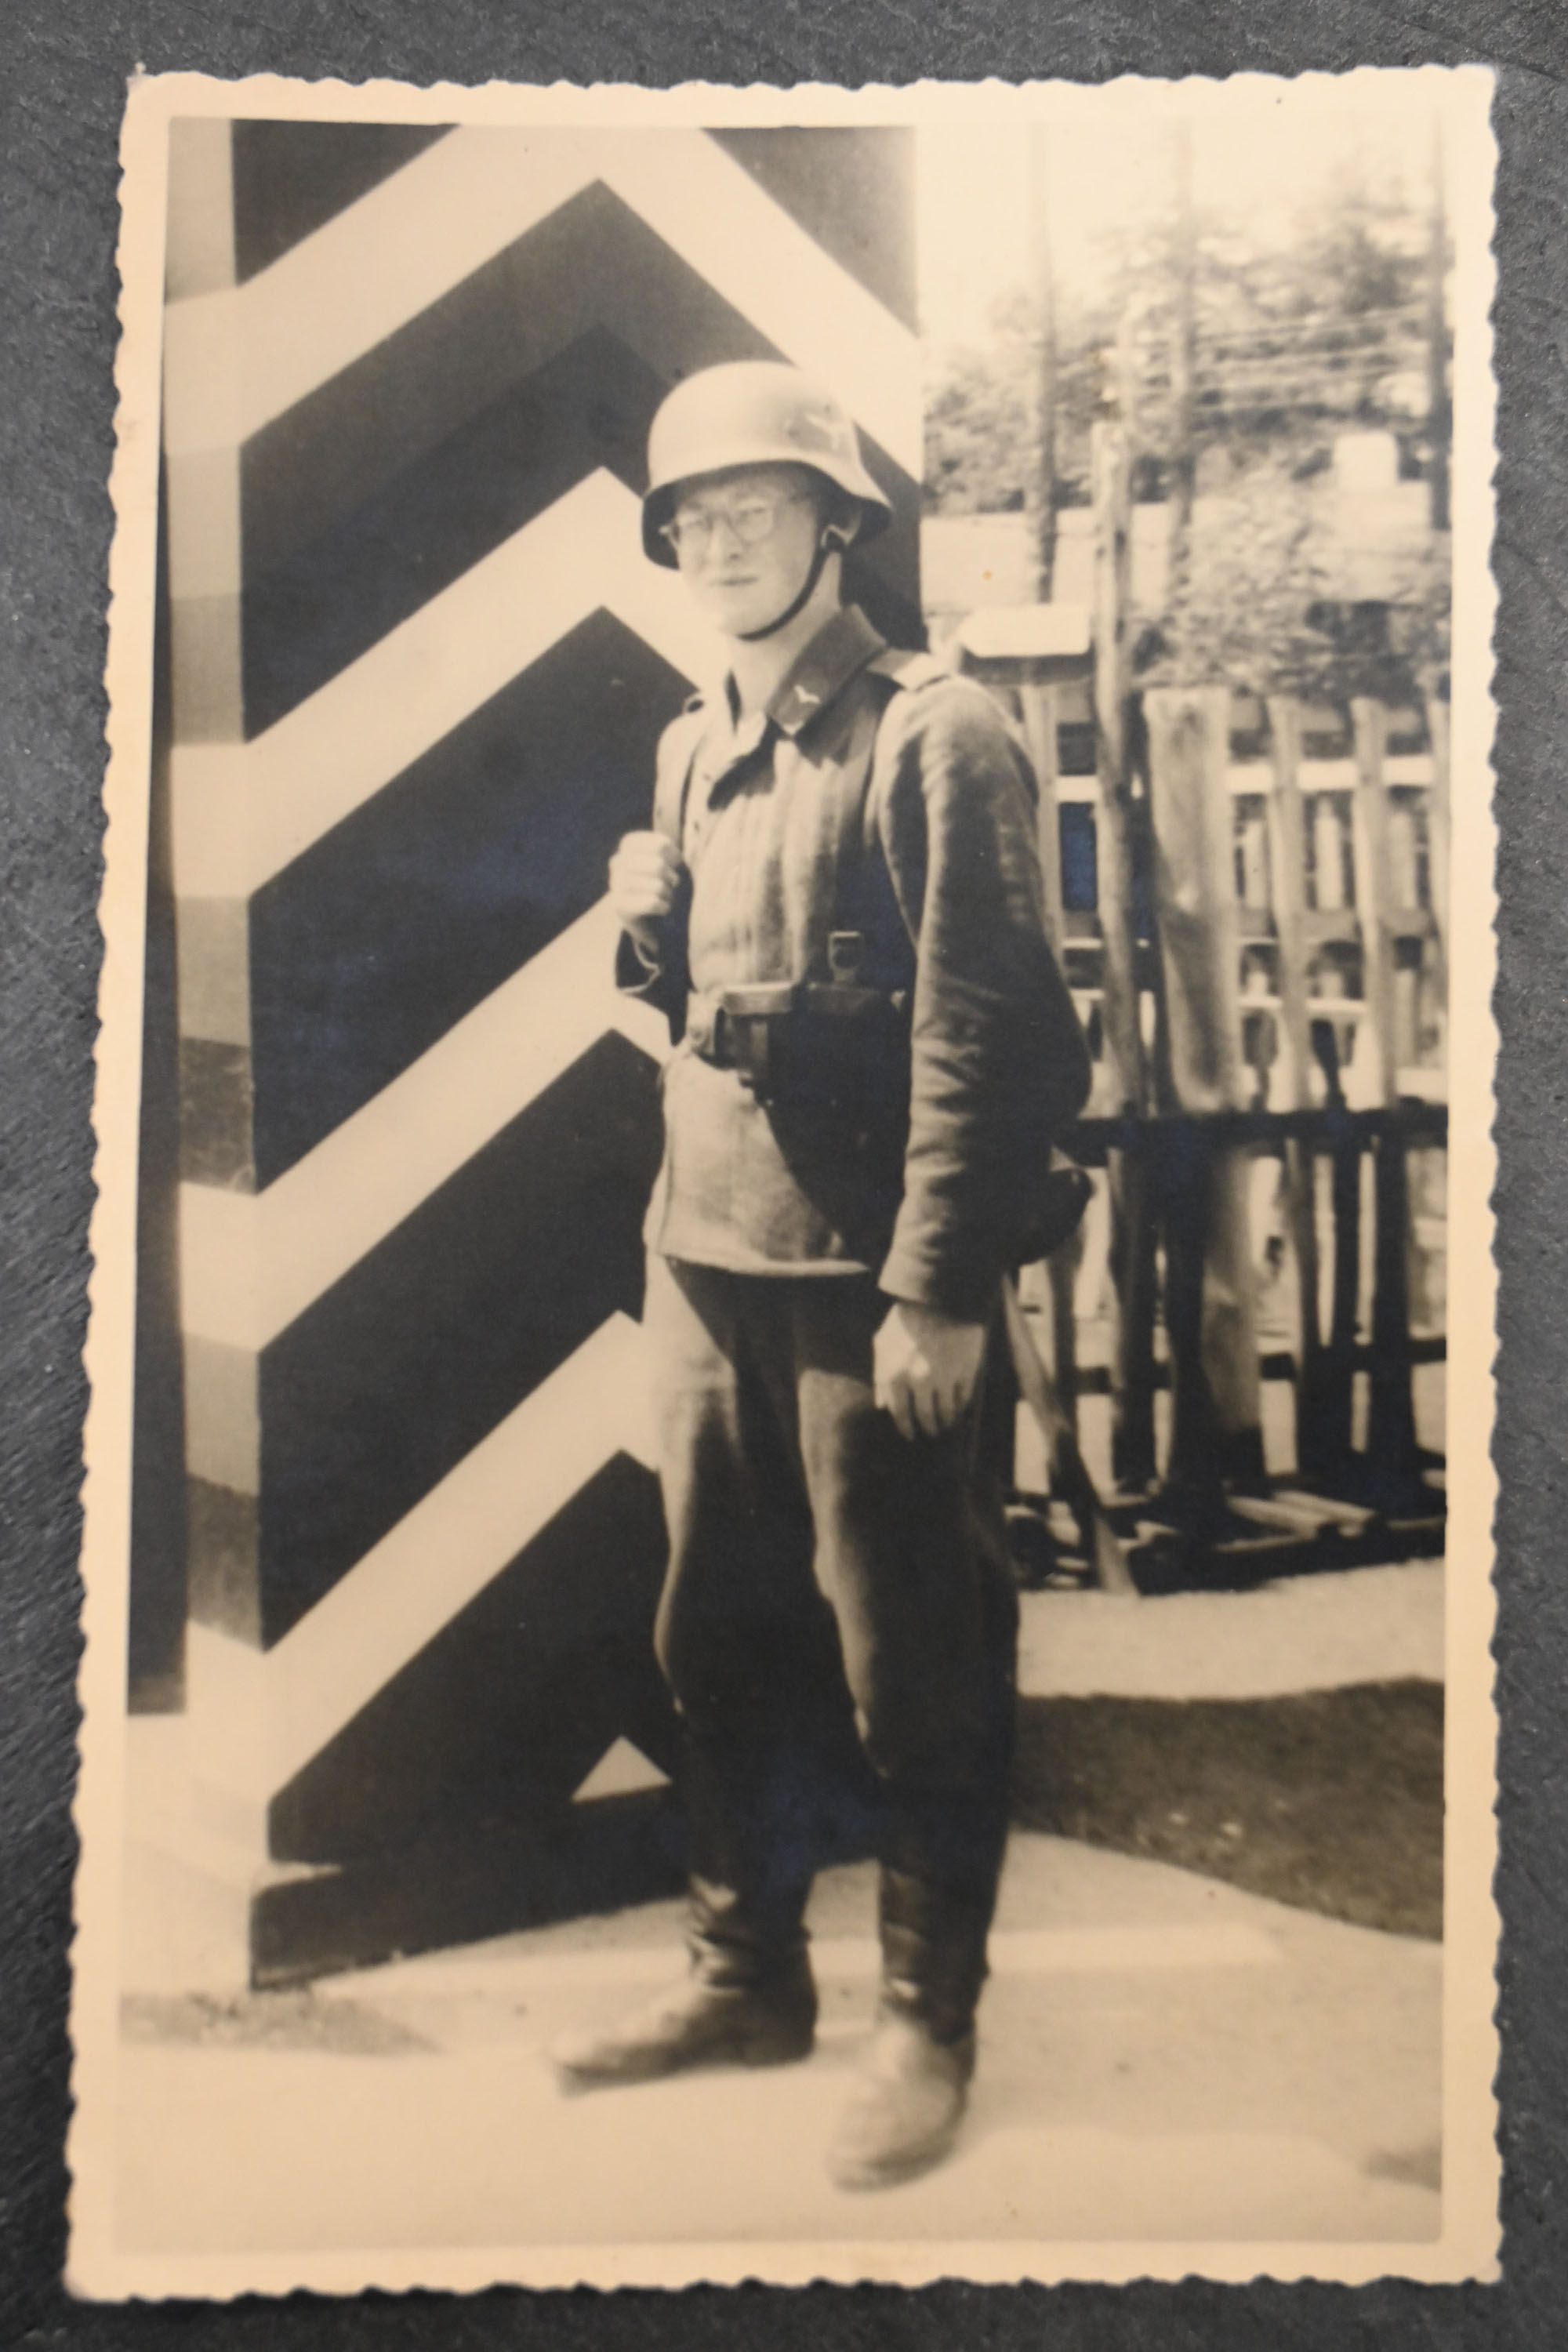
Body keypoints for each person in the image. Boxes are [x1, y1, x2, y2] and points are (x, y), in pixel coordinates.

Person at [547, 361, 1090, 2188]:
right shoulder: (691, 741)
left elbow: (992, 1034)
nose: (716, 544)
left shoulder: (935, 732)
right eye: (690, 520)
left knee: (916, 1654)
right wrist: (643, 910)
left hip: (874, 1279)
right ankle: (743, 1976)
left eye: (753, 511)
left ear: (836, 526)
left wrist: (936, 1287)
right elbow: (696, 1007)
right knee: (722, 1635)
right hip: (704, 1260)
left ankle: (924, 2027)